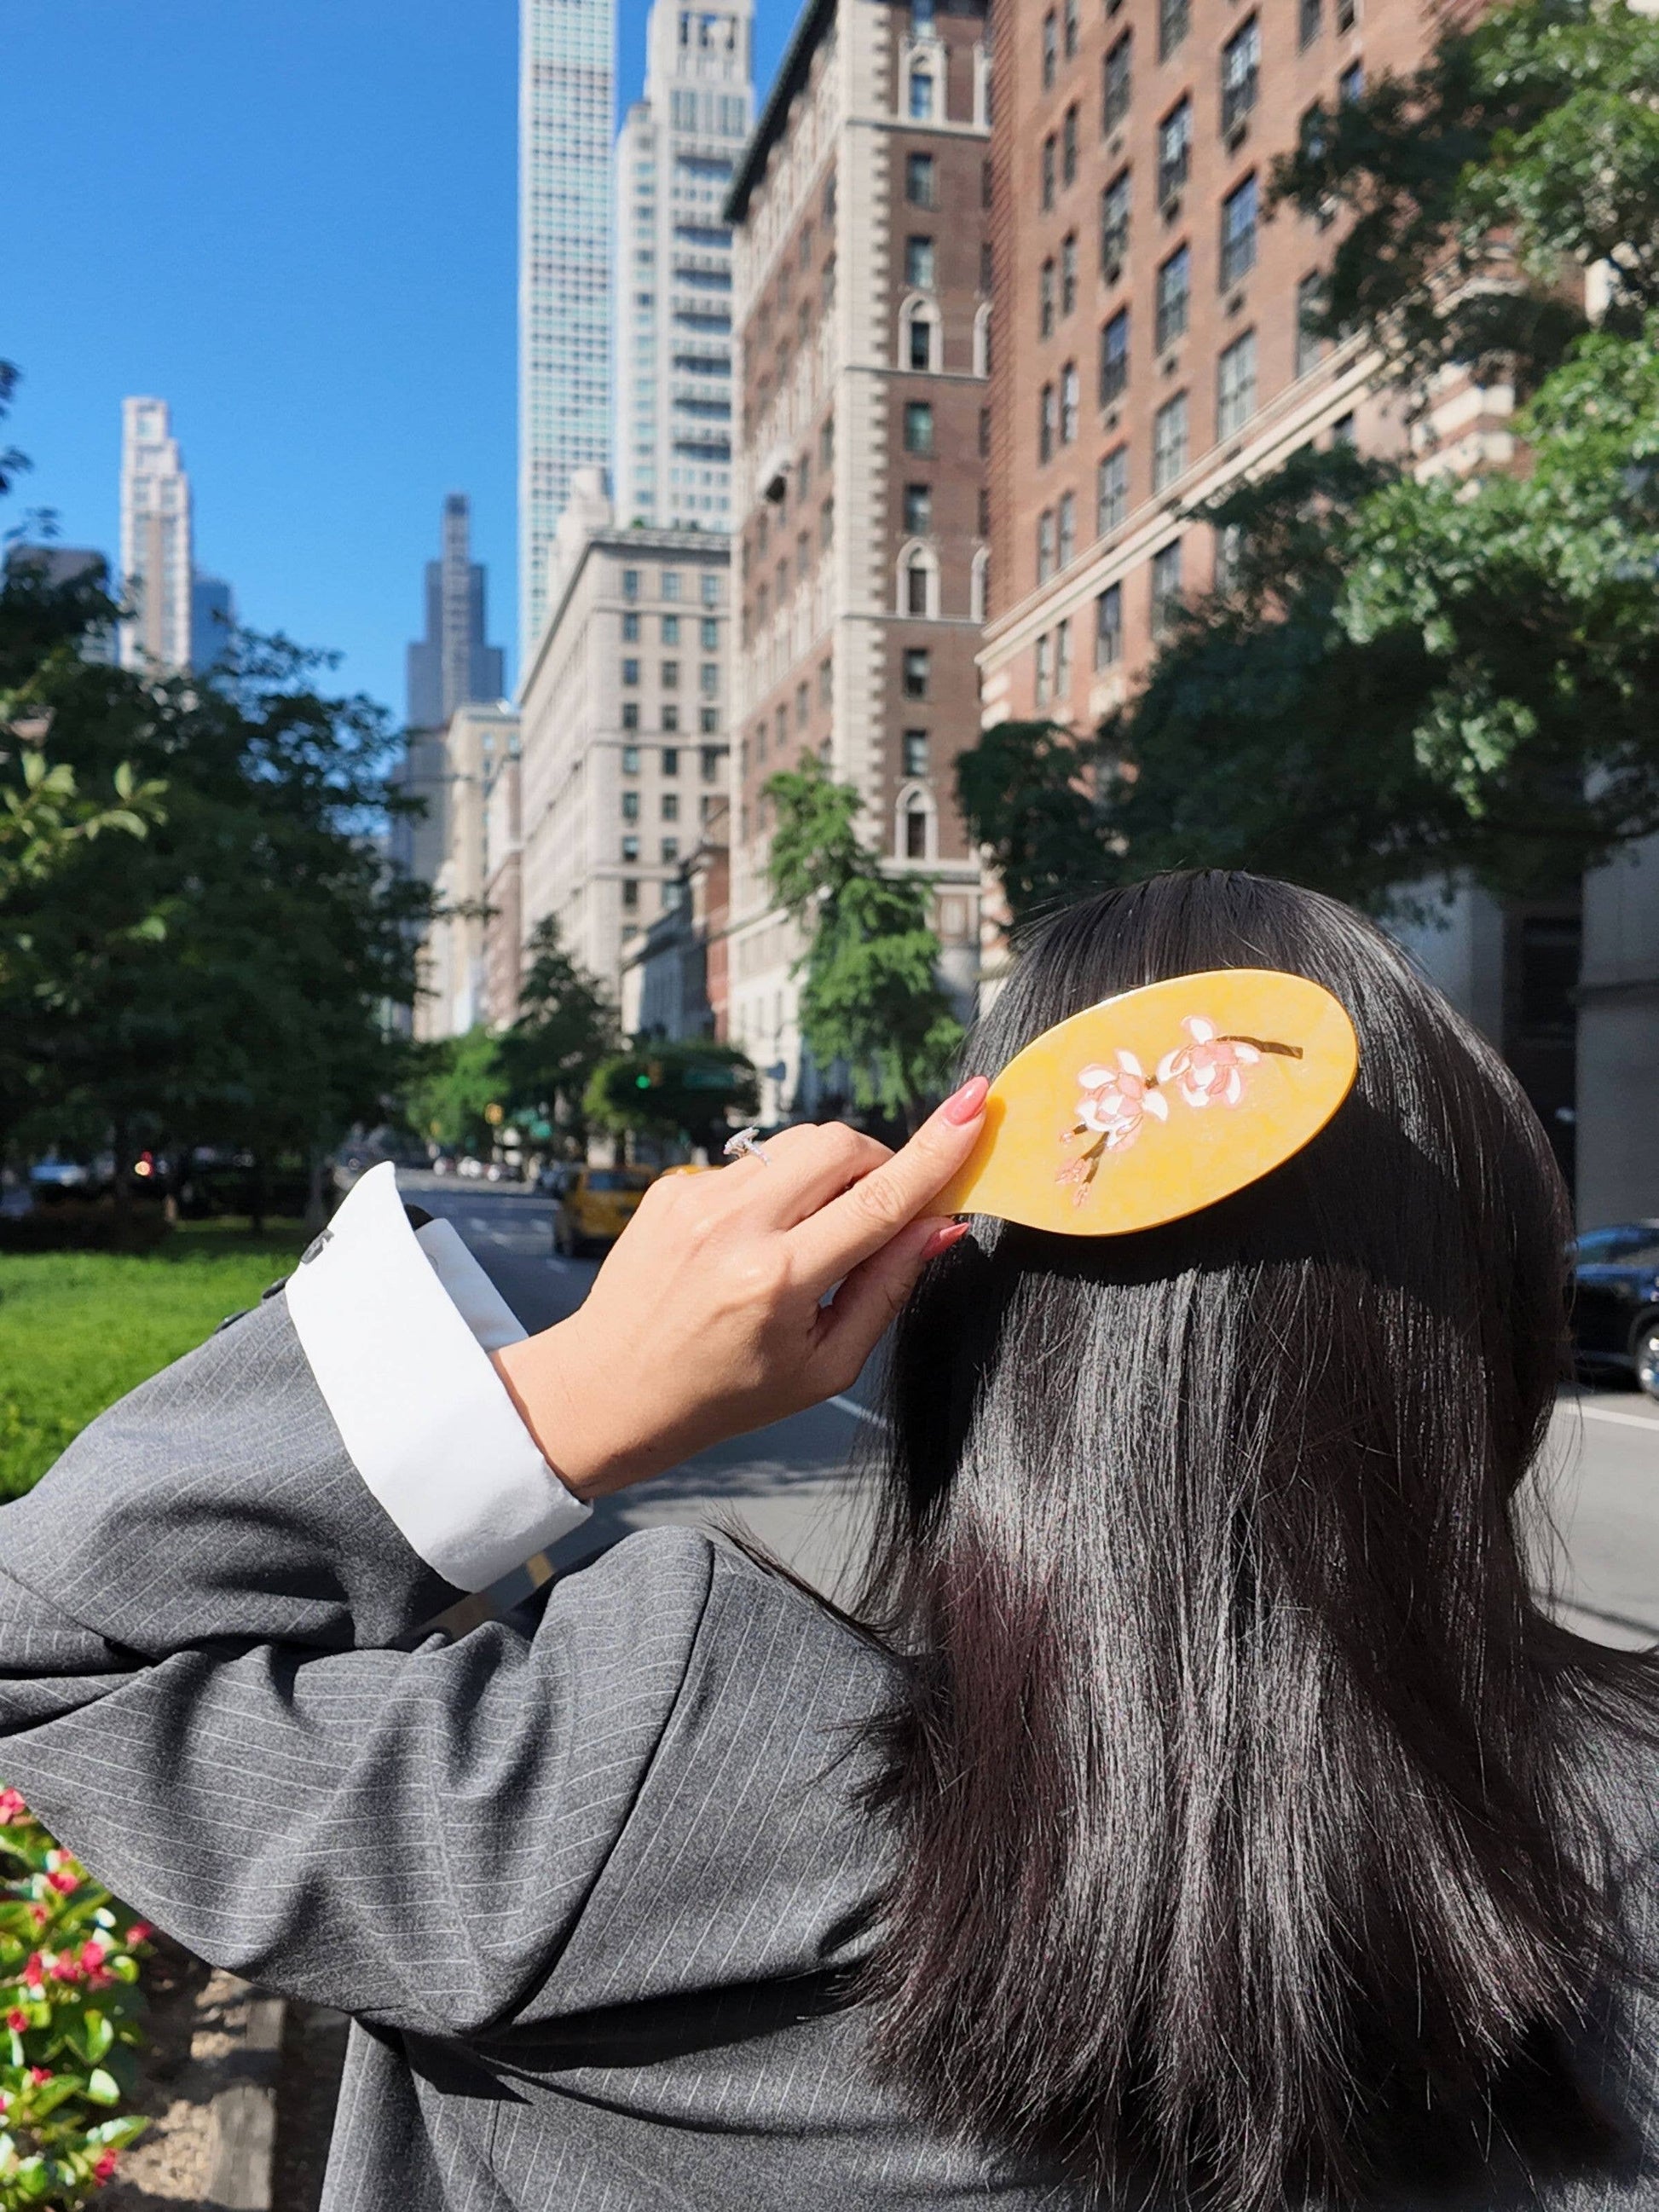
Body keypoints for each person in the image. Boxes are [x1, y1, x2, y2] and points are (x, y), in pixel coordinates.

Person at [0, 869, 1652, 2212]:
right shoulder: (1625, 1843)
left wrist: (581, 1389)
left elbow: (54, 1645)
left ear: (959, 1332)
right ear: (1500, 1332)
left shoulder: (633, 1788)